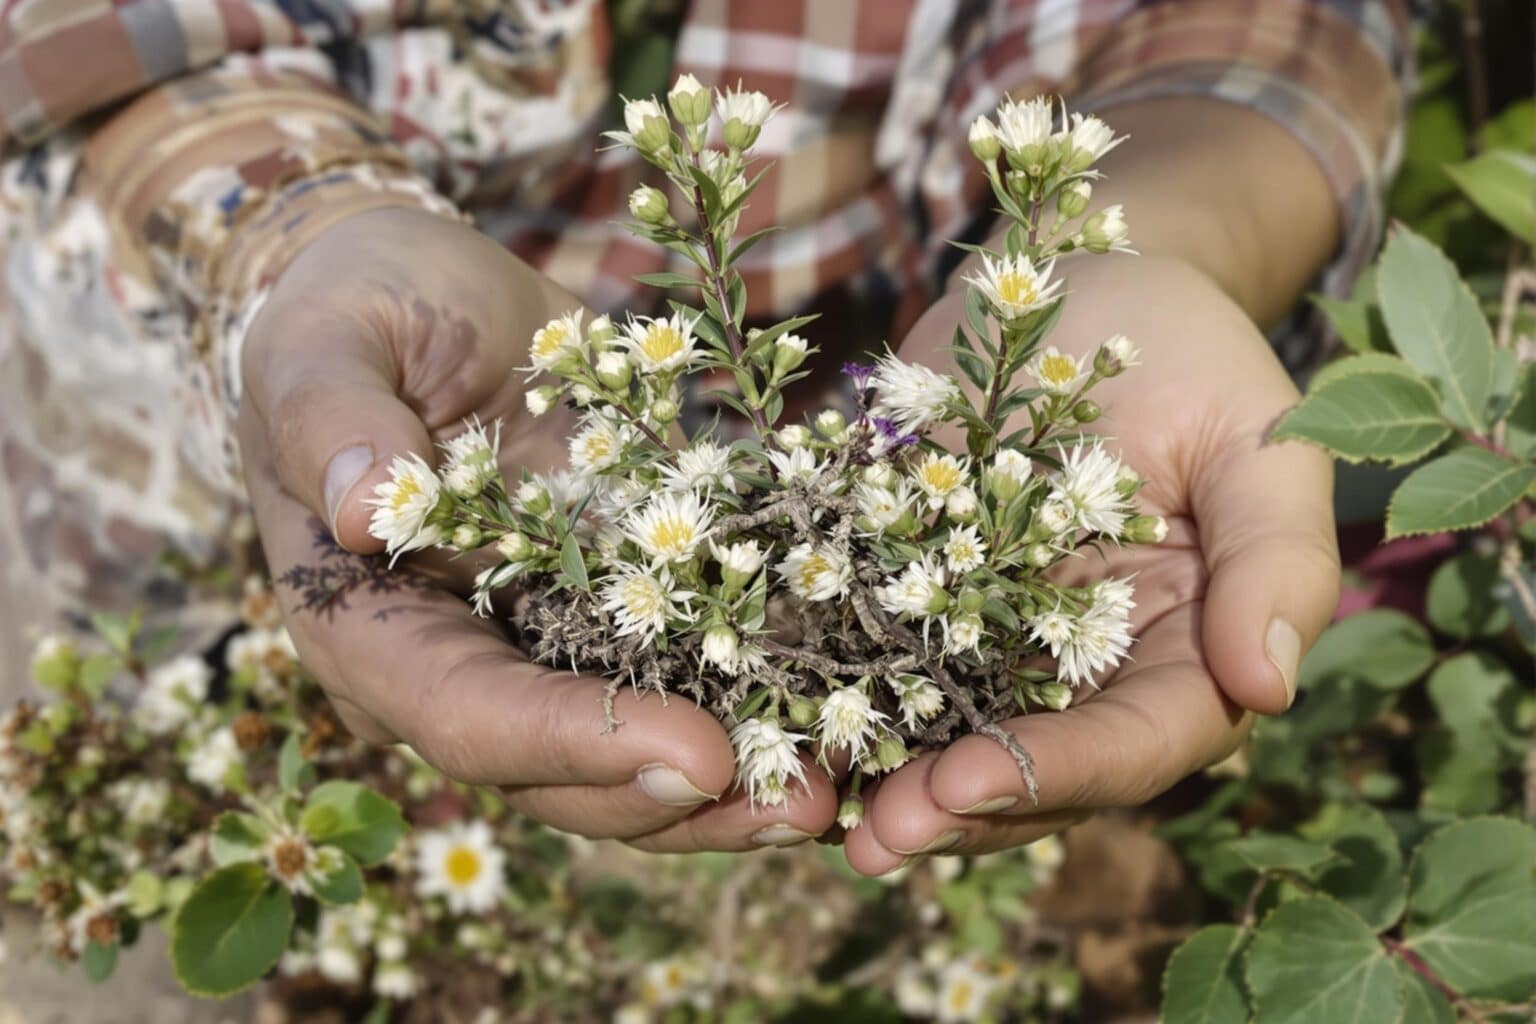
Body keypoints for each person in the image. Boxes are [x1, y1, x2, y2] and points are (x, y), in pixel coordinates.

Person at [0, 0, 1407, 868]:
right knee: (241, 728)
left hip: (858, 403)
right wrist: (303, 237)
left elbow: (1258, 28)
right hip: (188, 347)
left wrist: (1140, 252)